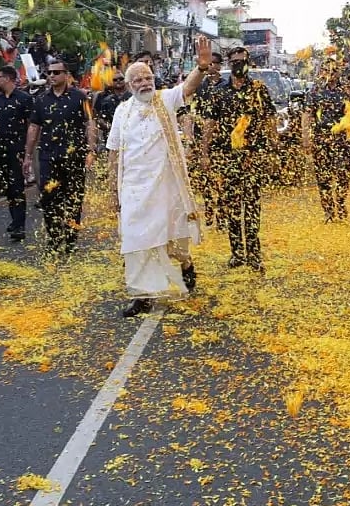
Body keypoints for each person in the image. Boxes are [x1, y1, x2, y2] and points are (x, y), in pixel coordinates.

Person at [107, 37, 216, 318]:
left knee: (174, 240)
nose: (144, 83)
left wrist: (201, 67)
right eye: (138, 80)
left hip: (166, 187)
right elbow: (113, 152)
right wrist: (112, 192)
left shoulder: (165, 100)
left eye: (148, 77)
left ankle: (186, 264)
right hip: (133, 189)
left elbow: (187, 88)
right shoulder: (122, 112)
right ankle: (142, 294)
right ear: (130, 86)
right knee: (135, 241)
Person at [210, 47, 278, 271]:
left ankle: (254, 253)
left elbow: (270, 121)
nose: (238, 64)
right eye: (234, 61)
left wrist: (273, 150)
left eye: (242, 61)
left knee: (251, 206)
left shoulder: (259, 90)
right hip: (228, 157)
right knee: (231, 207)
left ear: (249, 63)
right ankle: (237, 253)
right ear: (229, 63)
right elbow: (210, 124)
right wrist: (203, 153)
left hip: (253, 157)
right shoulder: (219, 91)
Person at [23, 60, 96, 255]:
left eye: (56, 72)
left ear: (66, 74)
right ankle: (54, 239)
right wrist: (28, 156)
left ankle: (71, 239)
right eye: (49, 72)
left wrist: (91, 150)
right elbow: (34, 127)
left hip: (74, 157)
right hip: (48, 157)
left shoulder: (80, 98)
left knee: (73, 200)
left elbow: (90, 123)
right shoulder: (41, 99)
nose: (52, 76)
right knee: (49, 199)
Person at [305, 61, 350, 222]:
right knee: (323, 176)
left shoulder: (347, 91)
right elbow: (307, 114)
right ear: (321, 71)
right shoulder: (315, 90)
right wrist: (306, 138)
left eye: (334, 70)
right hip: (321, 139)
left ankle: (340, 202)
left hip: (343, 140)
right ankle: (328, 209)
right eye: (327, 70)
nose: (331, 73)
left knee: (343, 173)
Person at [0, 65, 34, 241]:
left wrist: (29, 151)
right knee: (8, 186)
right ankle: (15, 220)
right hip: (0, 149)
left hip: (18, 149)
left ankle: (19, 225)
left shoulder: (24, 99)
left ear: (7, 78)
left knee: (17, 186)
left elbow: (32, 125)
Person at [183, 52, 229, 226]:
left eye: (215, 64)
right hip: (201, 138)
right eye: (208, 64)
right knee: (206, 180)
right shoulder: (199, 87)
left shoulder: (226, 86)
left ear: (220, 66)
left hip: (222, 140)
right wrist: (191, 141)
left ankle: (223, 216)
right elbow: (189, 111)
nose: (211, 67)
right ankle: (209, 214)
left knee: (223, 180)